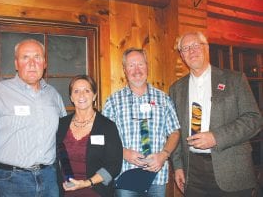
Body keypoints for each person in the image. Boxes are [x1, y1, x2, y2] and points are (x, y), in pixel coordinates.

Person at [0, 39, 66, 197]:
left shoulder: (53, 95)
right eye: (25, 57)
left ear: (45, 63)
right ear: (16, 63)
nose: (32, 63)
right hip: (10, 182)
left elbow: (63, 141)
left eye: (37, 57)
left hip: (49, 180)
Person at [169, 31, 263, 197]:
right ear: (182, 56)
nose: (191, 51)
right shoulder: (176, 89)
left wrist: (216, 137)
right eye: (186, 48)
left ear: (206, 48)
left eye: (196, 45)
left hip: (232, 170)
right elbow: (174, 131)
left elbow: (254, 119)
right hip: (193, 173)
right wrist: (178, 166)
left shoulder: (234, 80)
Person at [102, 48, 180, 197]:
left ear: (147, 66)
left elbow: (175, 132)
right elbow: (104, 136)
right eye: (131, 65)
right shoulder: (113, 101)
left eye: (141, 64)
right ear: (124, 70)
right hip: (126, 176)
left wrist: (164, 155)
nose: (136, 70)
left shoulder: (164, 99)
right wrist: (122, 152)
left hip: (157, 178)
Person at [56, 75, 123, 197]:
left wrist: (87, 183)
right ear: (71, 97)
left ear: (94, 96)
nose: (81, 95)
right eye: (76, 91)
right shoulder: (61, 124)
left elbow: (114, 165)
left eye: (87, 90)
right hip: (65, 191)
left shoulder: (107, 126)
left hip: (96, 191)